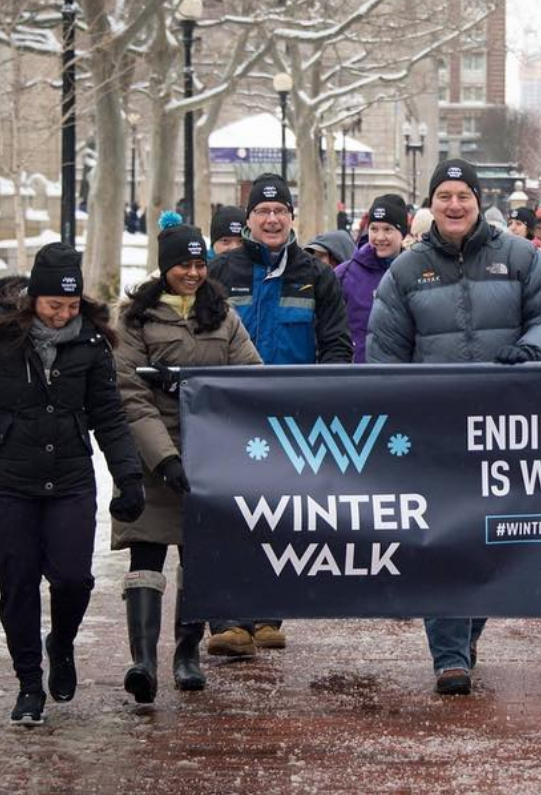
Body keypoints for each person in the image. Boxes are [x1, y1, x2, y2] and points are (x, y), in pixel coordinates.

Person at [368, 159, 541, 696]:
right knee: (442, 541)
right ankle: (450, 654)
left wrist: (532, 350)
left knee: (491, 543)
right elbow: (384, 353)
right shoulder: (406, 272)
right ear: (430, 205)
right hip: (435, 434)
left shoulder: (520, 256)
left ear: (478, 201)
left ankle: (469, 626)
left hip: (506, 429)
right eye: (444, 196)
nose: (454, 205)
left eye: (463, 195)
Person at [0, 243, 144, 726]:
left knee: (74, 578)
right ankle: (29, 683)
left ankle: (62, 643)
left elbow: (109, 416)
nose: (63, 315)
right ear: (33, 299)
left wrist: (127, 476)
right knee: (20, 584)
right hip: (8, 480)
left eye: (71, 306)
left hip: (70, 477)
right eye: (54, 306)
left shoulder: (91, 342)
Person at [113, 220, 262, 703]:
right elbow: (131, 397)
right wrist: (165, 458)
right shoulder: (135, 319)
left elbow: (251, 378)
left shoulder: (223, 315)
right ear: (165, 267)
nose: (194, 273)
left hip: (209, 455)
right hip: (151, 459)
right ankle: (144, 660)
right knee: (147, 552)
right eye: (184, 265)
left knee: (199, 558)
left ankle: (186, 653)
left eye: (200, 264)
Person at [206, 173, 352, 654]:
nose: (272, 219)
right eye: (262, 212)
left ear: (292, 218)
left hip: (294, 419)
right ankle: (228, 619)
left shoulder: (317, 275)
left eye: (280, 211)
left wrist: (325, 400)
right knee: (228, 513)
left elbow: (335, 344)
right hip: (230, 416)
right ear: (248, 220)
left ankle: (268, 614)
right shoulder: (220, 272)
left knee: (282, 516)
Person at [336, 194, 408, 363]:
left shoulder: (416, 273)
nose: (380, 237)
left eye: (388, 229)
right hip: (357, 377)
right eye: (374, 229)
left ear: (403, 233)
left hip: (402, 377)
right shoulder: (343, 275)